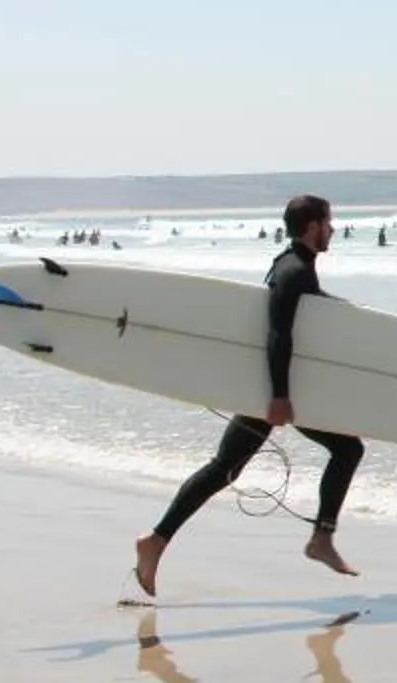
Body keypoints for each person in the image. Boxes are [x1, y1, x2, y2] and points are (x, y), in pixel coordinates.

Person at [135, 195, 365, 598]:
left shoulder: (294, 267)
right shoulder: (292, 271)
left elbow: (302, 322)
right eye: (328, 222)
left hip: (275, 388)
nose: (332, 229)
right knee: (347, 451)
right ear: (313, 226)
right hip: (275, 390)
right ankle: (321, 539)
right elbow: (278, 333)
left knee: (226, 468)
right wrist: (278, 396)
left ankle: (156, 541)